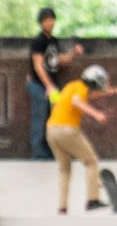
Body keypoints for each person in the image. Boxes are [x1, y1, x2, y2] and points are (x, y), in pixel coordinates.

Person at [46, 65, 117, 214]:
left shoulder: (72, 85)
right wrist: (96, 114)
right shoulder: (81, 89)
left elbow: (90, 96)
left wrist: (114, 91)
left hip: (52, 130)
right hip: (67, 130)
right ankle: (93, 200)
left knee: (64, 170)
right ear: (94, 81)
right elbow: (77, 101)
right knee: (91, 162)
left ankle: (62, 207)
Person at [27, 8, 83, 160]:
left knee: (54, 118)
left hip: (51, 87)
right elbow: (38, 65)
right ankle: (38, 154)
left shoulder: (53, 41)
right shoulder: (38, 41)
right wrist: (48, 86)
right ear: (41, 22)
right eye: (46, 20)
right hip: (40, 86)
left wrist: (73, 53)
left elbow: (59, 60)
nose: (49, 22)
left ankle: (51, 152)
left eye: (51, 19)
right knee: (40, 118)